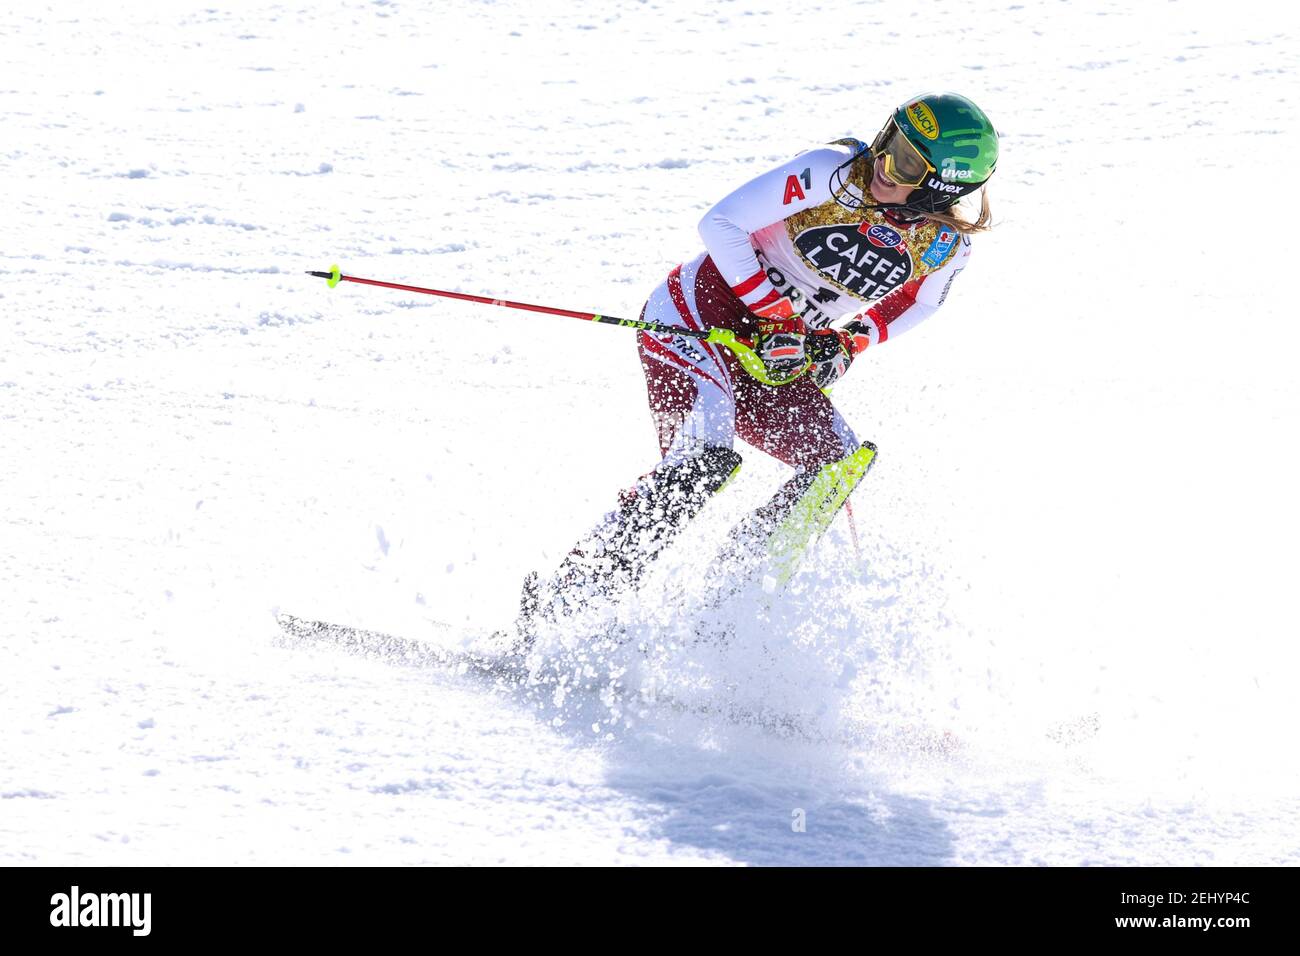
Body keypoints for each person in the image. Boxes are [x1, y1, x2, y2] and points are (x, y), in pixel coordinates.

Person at [519, 92, 1000, 634]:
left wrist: (848, 343)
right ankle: (562, 611)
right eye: (888, 140)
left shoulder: (943, 245)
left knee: (836, 466)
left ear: (940, 187)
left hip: (775, 358)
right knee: (701, 461)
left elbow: (920, 301)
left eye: (906, 162)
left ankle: (725, 618)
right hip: (695, 319)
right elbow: (720, 224)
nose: (883, 163)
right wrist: (778, 316)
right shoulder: (832, 172)